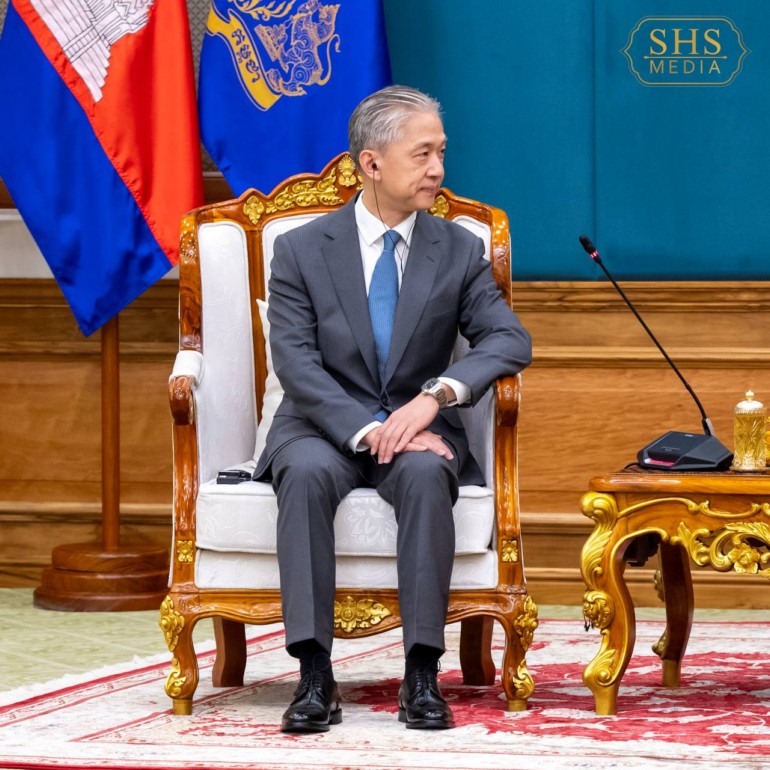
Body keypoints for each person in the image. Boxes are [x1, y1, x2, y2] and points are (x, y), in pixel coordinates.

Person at [254, 85, 532, 733]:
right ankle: (314, 675)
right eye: (422, 154)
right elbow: (295, 363)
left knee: (429, 473)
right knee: (305, 473)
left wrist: (435, 397)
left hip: (420, 432)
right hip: (322, 426)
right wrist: (371, 429)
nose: (438, 169)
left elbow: (509, 339)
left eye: (442, 153)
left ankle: (422, 674)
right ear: (372, 163)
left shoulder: (456, 249)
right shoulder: (300, 249)